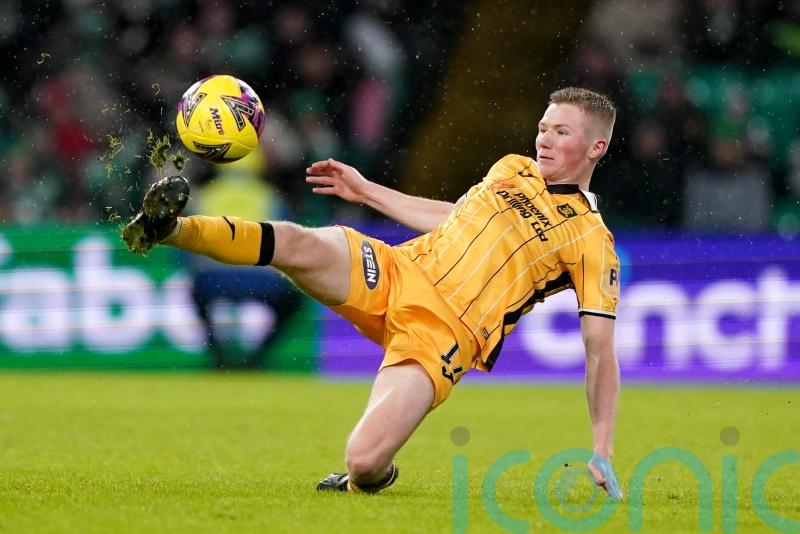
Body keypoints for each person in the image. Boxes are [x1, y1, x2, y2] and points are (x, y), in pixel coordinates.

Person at [122, 87, 624, 499]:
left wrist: (601, 445)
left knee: (362, 461)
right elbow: (457, 218)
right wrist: (366, 190)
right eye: (542, 127)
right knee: (297, 242)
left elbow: (599, 351)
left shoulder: (591, 241)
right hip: (395, 270)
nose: (544, 139)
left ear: (595, 148)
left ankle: (374, 477)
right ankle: (169, 228)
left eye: (561, 132)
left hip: (443, 336)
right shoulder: (511, 169)